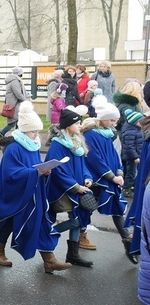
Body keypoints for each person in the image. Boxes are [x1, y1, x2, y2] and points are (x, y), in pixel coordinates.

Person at [0, 101, 71, 273]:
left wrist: (45, 171)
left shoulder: (32, 145)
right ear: (23, 130)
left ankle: (49, 260)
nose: (37, 134)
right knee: (10, 221)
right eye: (33, 131)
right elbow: (10, 173)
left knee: (40, 222)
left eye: (37, 130)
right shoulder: (13, 147)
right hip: (17, 193)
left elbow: (34, 165)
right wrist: (35, 173)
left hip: (33, 192)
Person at [82, 98, 132, 260]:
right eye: (112, 120)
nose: (114, 123)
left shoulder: (108, 134)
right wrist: (111, 177)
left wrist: (120, 173)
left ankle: (126, 240)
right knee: (86, 208)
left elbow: (115, 155)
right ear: (102, 119)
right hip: (98, 179)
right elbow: (94, 159)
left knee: (117, 208)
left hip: (112, 179)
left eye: (116, 121)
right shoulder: (90, 135)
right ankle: (79, 237)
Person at [45, 106, 94, 268]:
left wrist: (87, 178)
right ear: (68, 126)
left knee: (77, 220)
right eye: (77, 123)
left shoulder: (78, 141)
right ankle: (47, 235)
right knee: (76, 221)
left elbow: (83, 165)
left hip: (78, 186)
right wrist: (75, 187)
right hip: (63, 190)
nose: (80, 125)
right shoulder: (57, 145)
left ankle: (73, 255)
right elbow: (57, 171)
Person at [0, 67, 28, 146]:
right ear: (19, 73)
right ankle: (0, 135)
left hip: (15, 104)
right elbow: (18, 93)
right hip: (14, 105)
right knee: (13, 122)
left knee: (18, 122)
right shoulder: (14, 81)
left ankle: (17, 137)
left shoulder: (14, 80)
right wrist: (25, 100)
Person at [121, 110, 144, 200]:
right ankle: (126, 188)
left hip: (137, 155)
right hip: (132, 157)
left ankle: (132, 186)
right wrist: (135, 156)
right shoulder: (130, 132)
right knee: (131, 172)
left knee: (134, 172)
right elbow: (129, 146)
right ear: (134, 122)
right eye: (140, 121)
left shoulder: (137, 129)